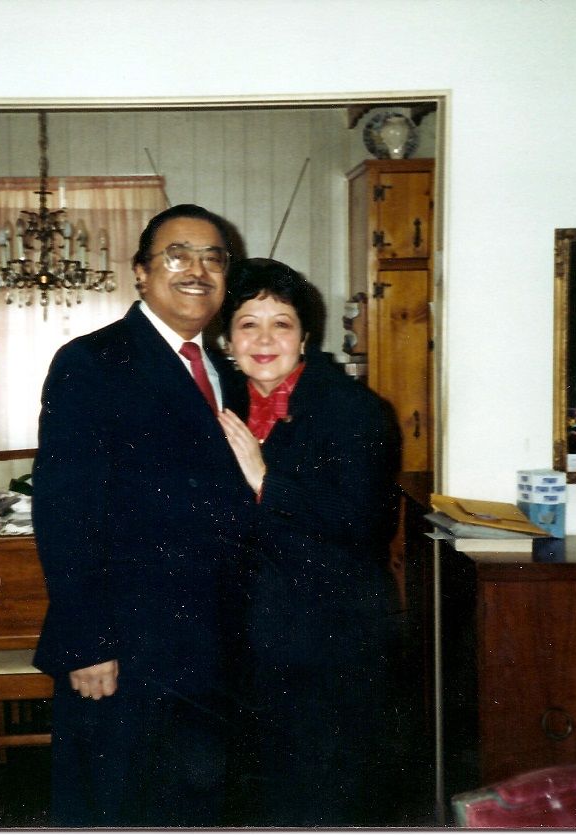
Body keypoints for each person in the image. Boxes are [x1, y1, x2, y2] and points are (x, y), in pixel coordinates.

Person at [31, 204, 255, 826]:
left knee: (197, 804)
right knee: (117, 806)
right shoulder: (93, 363)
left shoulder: (225, 373)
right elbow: (64, 511)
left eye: (214, 258)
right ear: (140, 273)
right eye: (178, 254)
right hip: (125, 648)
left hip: (214, 647)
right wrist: (87, 641)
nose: (198, 270)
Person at [215, 257, 404, 826]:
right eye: (249, 323)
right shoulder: (215, 406)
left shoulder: (354, 411)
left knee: (322, 796)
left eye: (282, 323)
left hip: (329, 638)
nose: (265, 339)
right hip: (242, 638)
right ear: (227, 338)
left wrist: (264, 477)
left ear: (305, 337)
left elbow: (363, 522)